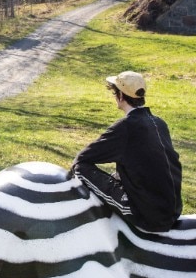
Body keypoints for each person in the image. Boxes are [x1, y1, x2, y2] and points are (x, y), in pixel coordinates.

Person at [70, 71, 182, 232]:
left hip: (149, 217)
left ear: (121, 96)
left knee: (80, 168)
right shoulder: (159, 122)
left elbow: (82, 158)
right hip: (173, 210)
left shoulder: (125, 127)